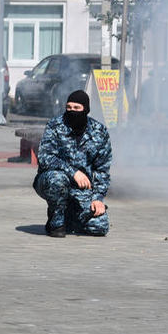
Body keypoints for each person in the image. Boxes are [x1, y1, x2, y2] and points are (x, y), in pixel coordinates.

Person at [33, 90, 111, 237]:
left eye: (76, 108)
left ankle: (70, 215)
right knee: (57, 179)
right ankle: (56, 222)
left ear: (86, 110)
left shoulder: (99, 132)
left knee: (99, 227)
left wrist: (98, 198)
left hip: (82, 189)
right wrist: (73, 172)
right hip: (51, 181)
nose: (71, 111)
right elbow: (45, 157)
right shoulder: (55, 125)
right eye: (68, 107)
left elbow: (102, 170)